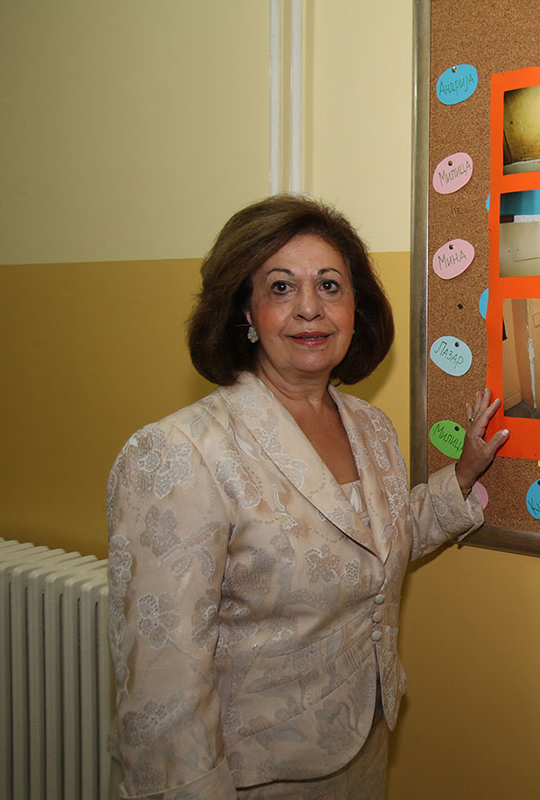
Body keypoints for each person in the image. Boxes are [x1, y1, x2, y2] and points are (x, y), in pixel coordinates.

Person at [106, 196, 508, 798]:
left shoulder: (371, 427)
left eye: (329, 285)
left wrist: (464, 474)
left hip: (363, 744)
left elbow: (373, 545)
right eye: (280, 287)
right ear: (246, 310)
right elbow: (162, 691)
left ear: (355, 307)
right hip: (252, 775)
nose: (310, 308)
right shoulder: (180, 452)